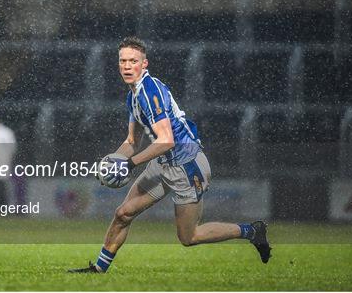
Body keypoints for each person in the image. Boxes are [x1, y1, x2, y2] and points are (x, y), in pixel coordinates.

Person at [69, 37, 271, 273]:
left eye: (133, 61)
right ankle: (99, 269)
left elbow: (166, 140)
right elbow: (132, 142)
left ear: (144, 64)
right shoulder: (133, 95)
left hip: (187, 165)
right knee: (123, 213)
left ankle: (252, 231)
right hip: (163, 161)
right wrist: (109, 163)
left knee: (189, 236)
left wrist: (130, 164)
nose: (126, 66)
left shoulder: (149, 92)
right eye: (122, 61)